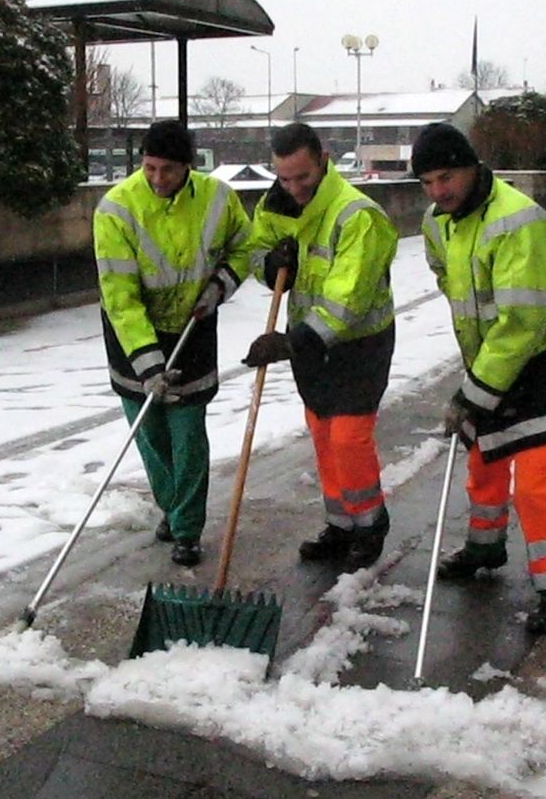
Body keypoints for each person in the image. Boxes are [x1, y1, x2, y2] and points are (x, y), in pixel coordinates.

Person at [410, 122, 546, 634]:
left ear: (472, 167)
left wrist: (473, 393)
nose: (438, 192)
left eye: (446, 177)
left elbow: (523, 323)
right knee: (485, 461)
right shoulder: (437, 220)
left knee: (535, 487)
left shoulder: (519, 222)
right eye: (427, 183)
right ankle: (485, 548)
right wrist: (480, 379)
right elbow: (443, 269)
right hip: (492, 360)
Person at [93, 120, 252, 567]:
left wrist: (220, 286)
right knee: (151, 434)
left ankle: (186, 528)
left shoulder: (219, 199)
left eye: (168, 170)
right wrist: (148, 365)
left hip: (193, 327)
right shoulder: (116, 209)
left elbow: (245, 246)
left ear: (188, 166)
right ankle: (171, 505)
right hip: (133, 336)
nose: (158, 179)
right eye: (149, 168)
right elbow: (120, 296)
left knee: (187, 437)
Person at [241, 123, 398, 570]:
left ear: (323, 159)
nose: (294, 189)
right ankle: (341, 524)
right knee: (324, 434)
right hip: (306, 345)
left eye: (303, 178)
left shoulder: (357, 215)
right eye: (285, 178)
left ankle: (370, 524)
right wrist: (271, 264)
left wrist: (289, 343)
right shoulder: (276, 205)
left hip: (359, 344)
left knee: (349, 437)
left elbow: (347, 301)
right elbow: (256, 252)